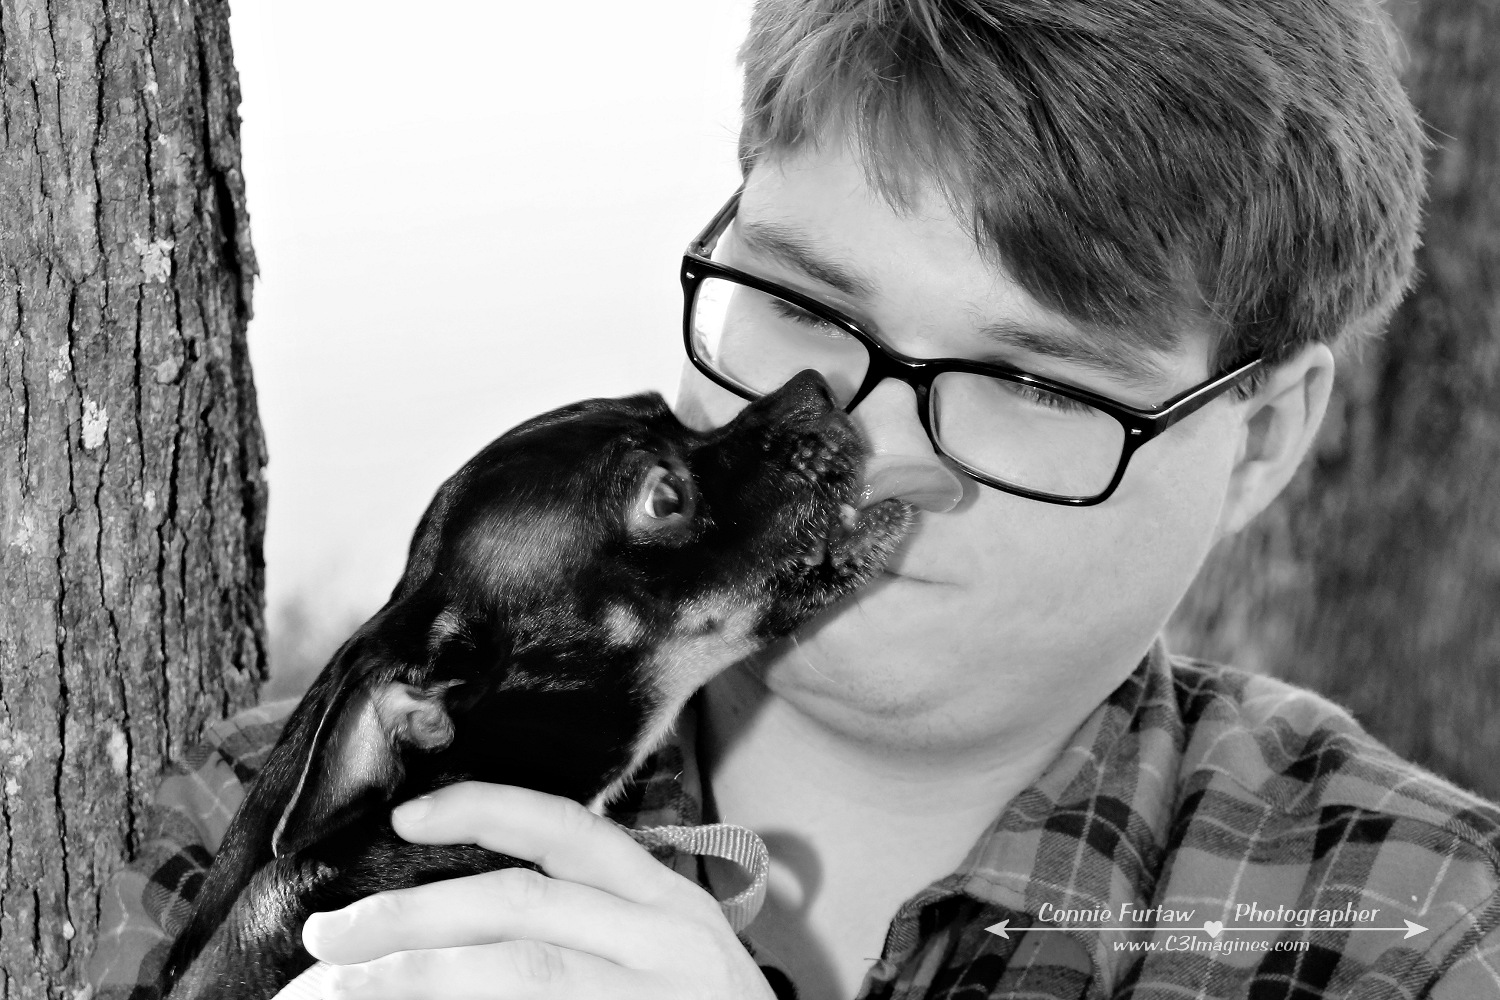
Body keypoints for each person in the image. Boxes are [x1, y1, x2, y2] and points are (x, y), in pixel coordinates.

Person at [90, 0, 1500, 998]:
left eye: (1036, 382)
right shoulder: (230, 828)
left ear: (1261, 442)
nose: (876, 447)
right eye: (807, 307)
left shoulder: (1427, 931)